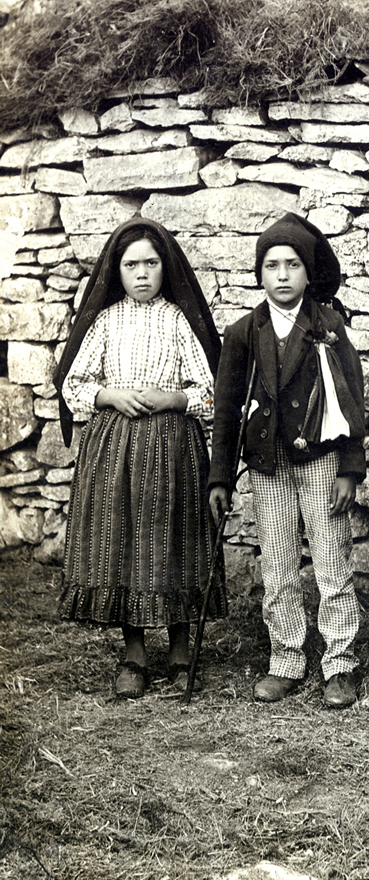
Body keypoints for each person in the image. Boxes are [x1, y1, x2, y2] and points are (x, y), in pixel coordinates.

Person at [54, 218, 226, 699]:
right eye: (132, 265)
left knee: (174, 540)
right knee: (123, 541)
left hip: (172, 447)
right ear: (118, 271)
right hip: (115, 447)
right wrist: (109, 394)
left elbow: (209, 391)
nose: (143, 273)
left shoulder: (177, 320)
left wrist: (172, 399)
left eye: (152, 263)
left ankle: (179, 649)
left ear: (165, 267)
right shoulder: (106, 321)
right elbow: (74, 385)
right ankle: (133, 653)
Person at [208, 213, 367, 708]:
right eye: (272, 265)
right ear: (259, 273)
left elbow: (352, 399)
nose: (282, 275)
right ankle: (286, 657)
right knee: (277, 562)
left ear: (307, 272)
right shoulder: (243, 332)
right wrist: (220, 477)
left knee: (330, 558)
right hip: (267, 463)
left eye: (292, 265)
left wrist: (349, 467)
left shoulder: (328, 325)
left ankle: (340, 662)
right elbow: (227, 407)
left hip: (320, 460)